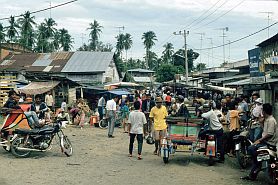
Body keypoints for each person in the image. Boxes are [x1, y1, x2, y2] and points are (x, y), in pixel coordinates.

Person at [241, 103, 278, 181]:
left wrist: (259, 140)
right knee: (253, 151)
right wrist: (261, 122)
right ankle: (255, 168)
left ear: (264, 111)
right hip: (266, 142)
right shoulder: (267, 120)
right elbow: (265, 130)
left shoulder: (271, 120)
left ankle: (257, 166)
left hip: (269, 143)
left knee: (251, 148)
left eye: (262, 110)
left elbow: (269, 133)